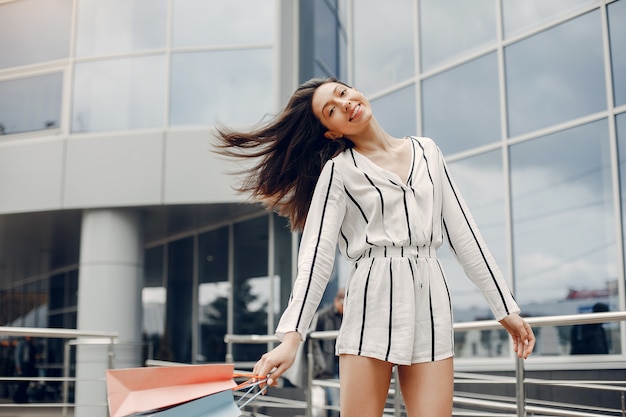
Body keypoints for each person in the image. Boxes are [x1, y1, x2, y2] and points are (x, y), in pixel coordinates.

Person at [214, 77, 535, 417]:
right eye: (331, 110)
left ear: (356, 91)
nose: (345, 104)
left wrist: (504, 307)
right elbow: (316, 260)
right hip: (371, 302)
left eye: (342, 93)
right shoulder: (338, 173)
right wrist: (292, 338)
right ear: (331, 132)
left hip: (430, 302)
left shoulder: (428, 152)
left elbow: (466, 236)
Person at [313, 287, 344, 417]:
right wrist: (319, 366)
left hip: (344, 365)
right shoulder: (323, 316)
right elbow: (313, 344)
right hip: (329, 367)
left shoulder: (351, 316)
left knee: (342, 403)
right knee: (334, 404)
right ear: (336, 300)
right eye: (343, 304)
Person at [13, 336, 37, 403]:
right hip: (23, 366)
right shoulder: (22, 343)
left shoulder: (31, 344)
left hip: (29, 366)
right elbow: (17, 355)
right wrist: (18, 366)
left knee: (26, 382)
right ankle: (19, 398)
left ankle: (22, 397)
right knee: (22, 382)